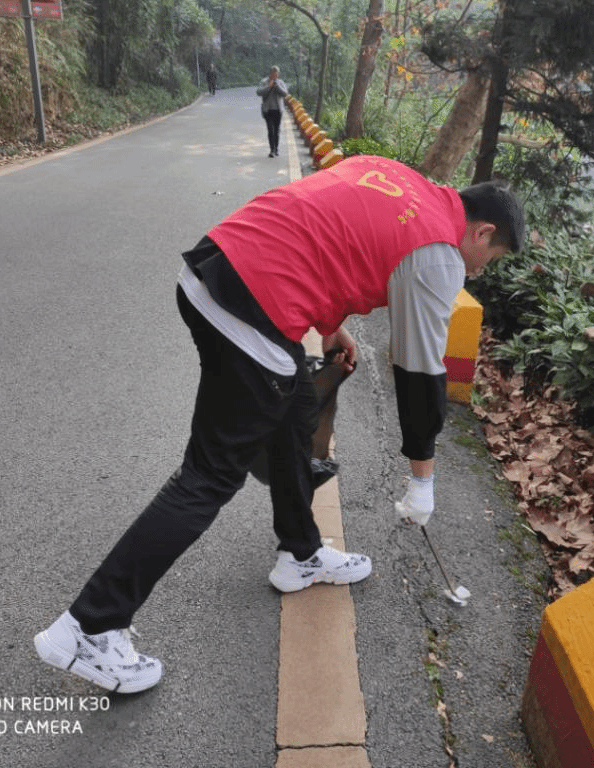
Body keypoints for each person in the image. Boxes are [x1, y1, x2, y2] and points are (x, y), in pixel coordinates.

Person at [33, 154, 526, 694]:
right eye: (490, 259)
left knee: (293, 407)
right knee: (209, 476)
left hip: (215, 266)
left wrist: (329, 325)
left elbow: (330, 233)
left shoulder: (401, 178)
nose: (479, 271)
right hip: (252, 309)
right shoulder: (440, 254)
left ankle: (301, 552)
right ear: (482, 232)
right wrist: (422, 479)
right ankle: (89, 626)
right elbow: (419, 374)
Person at [257, 65, 288, 157]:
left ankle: (276, 149)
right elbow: (259, 92)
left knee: (277, 130)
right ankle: (272, 150)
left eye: (276, 74)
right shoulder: (264, 82)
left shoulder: (280, 83)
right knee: (271, 130)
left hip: (278, 110)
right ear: (270, 73)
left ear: (278, 75)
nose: (274, 75)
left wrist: (277, 86)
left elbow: (285, 93)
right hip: (268, 110)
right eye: (273, 73)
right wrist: (269, 86)